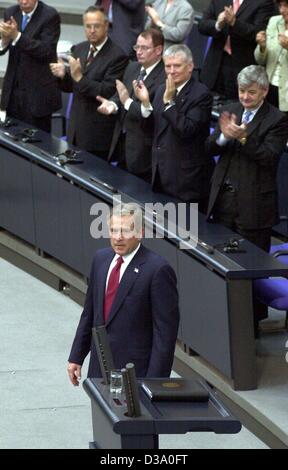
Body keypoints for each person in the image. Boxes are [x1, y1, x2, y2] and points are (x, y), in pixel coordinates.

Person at [67, 202, 179, 383]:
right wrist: (76, 356)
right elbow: (90, 313)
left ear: (140, 233)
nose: (118, 237)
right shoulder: (100, 259)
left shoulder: (157, 270)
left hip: (135, 374)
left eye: (125, 231)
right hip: (100, 370)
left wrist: (155, 383)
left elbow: (165, 335)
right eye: (113, 230)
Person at [206, 65, 288, 252]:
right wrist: (224, 137)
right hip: (223, 202)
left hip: (254, 208)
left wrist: (243, 137)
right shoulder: (230, 109)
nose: (245, 97)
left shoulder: (277, 119)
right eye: (241, 91)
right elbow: (208, 149)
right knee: (220, 262)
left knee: (250, 266)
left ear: (264, 91)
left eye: (251, 92)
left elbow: (269, 156)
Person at [134, 44, 213, 210]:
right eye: (168, 66)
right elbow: (150, 130)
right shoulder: (161, 89)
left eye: (177, 66)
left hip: (186, 182)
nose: (171, 71)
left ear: (190, 67)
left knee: (186, 231)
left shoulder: (201, 94)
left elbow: (187, 129)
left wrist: (169, 103)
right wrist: (146, 104)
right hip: (160, 173)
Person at [50, 6, 128, 160]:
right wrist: (63, 76)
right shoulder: (79, 48)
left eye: (96, 26)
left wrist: (79, 77)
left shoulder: (118, 56)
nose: (92, 30)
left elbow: (106, 92)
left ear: (106, 26)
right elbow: (72, 87)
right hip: (76, 129)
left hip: (97, 135)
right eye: (88, 26)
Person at [97, 28, 165, 181]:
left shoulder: (164, 78)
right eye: (137, 47)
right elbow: (120, 95)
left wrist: (127, 102)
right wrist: (112, 105)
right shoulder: (132, 67)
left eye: (144, 48)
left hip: (144, 153)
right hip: (121, 143)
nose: (139, 52)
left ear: (158, 50)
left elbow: (151, 115)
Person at [0, 0, 61, 132]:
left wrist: (16, 36)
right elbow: (4, 47)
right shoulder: (11, 12)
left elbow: (46, 51)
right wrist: (4, 40)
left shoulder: (50, 15)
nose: (24, 1)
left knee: (37, 145)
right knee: (12, 142)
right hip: (13, 93)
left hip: (37, 94)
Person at [198, 0, 276, 99]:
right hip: (214, 65)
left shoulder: (263, 2)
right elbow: (202, 25)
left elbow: (259, 33)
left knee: (233, 110)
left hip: (242, 68)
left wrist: (235, 23)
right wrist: (218, 24)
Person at [255, 0, 288, 112]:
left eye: (286, 6)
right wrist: (262, 47)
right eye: (280, 5)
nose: (282, 10)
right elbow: (260, 60)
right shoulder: (274, 21)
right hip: (269, 87)